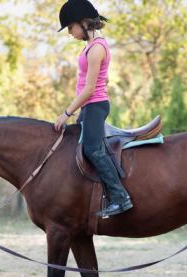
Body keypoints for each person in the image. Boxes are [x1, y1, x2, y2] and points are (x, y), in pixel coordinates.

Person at [54, 0, 132, 218]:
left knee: (92, 149)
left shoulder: (97, 48)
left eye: (70, 27)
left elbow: (89, 89)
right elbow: (101, 77)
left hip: (95, 105)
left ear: (82, 23)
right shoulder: (91, 46)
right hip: (89, 105)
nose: (70, 32)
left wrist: (66, 113)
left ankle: (120, 197)